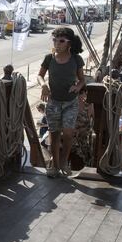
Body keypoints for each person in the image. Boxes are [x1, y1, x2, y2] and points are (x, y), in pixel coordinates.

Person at [38, 27, 85, 177]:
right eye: (55, 40)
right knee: (54, 134)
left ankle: (64, 162)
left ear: (69, 43)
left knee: (68, 134)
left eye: (61, 41)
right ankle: (55, 165)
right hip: (53, 102)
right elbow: (40, 76)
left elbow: (82, 79)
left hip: (70, 102)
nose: (57, 43)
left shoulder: (76, 59)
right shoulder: (49, 58)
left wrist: (78, 86)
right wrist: (43, 85)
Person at [70, 86, 95, 169]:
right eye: (77, 93)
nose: (80, 95)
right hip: (71, 136)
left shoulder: (89, 105)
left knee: (79, 154)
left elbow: (92, 124)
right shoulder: (70, 105)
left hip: (83, 136)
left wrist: (80, 130)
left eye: (81, 93)